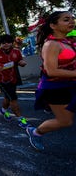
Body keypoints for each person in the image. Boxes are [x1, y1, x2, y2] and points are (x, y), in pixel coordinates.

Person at [26, 11, 76, 151]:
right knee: (65, 121)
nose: (71, 21)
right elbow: (51, 71)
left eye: (72, 18)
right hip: (56, 88)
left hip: (71, 84)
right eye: (66, 19)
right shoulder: (51, 45)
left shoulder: (68, 41)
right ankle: (36, 132)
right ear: (53, 25)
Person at [0, 34, 30, 128]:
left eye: (8, 42)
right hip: (1, 80)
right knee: (13, 99)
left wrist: (22, 63)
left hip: (13, 79)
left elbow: (19, 60)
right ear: (0, 44)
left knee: (8, 97)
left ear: (11, 42)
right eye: (3, 43)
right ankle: (21, 119)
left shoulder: (16, 52)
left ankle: (2, 111)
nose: (6, 44)